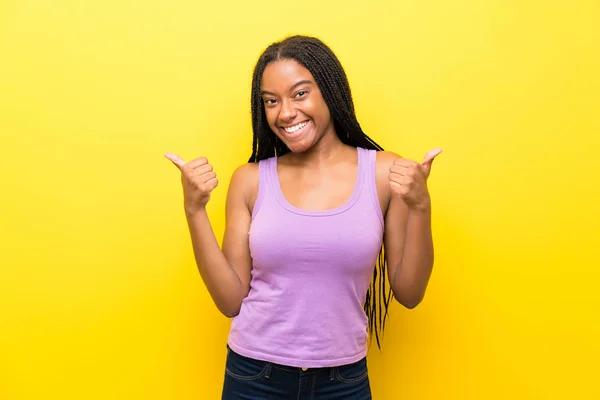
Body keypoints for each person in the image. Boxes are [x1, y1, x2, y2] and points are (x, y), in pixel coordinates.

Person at [165, 35, 441, 400]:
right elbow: (230, 299)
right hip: (254, 377)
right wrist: (194, 210)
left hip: (343, 381)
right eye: (271, 101)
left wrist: (421, 207)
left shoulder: (384, 173)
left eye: (299, 94)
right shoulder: (249, 180)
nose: (285, 113)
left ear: (329, 92)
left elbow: (409, 292)